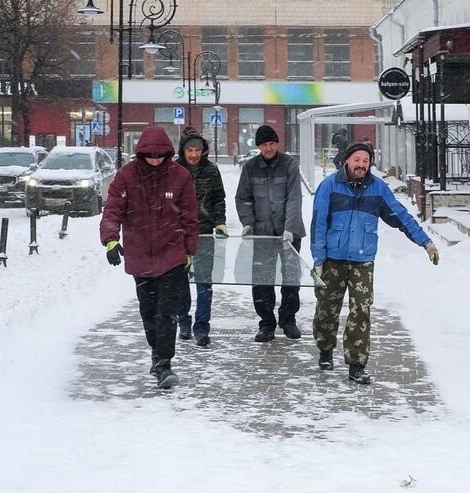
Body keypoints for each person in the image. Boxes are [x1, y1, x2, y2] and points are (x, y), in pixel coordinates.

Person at [310, 141, 439, 384]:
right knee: (326, 309)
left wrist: (426, 242)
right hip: (332, 260)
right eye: (357, 160)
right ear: (347, 161)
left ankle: (356, 364)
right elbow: (318, 224)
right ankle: (325, 349)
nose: (361, 165)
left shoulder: (377, 189)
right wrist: (318, 259)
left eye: (366, 161)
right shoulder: (329, 186)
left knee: (361, 311)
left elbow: (401, 216)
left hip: (362, 261)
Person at [100, 126, 199, 389]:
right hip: (140, 255)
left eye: (160, 155)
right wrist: (111, 240)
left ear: (167, 153)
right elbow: (112, 210)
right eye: (150, 155)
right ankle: (157, 355)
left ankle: (164, 363)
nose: (155, 160)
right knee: (148, 312)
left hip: (172, 255)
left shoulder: (180, 176)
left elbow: (189, 216)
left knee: (166, 312)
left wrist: (189, 250)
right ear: (141, 153)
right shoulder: (126, 177)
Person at [235, 125, 307, 342]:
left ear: (277, 144)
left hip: (289, 234)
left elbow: (295, 198)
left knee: (291, 278)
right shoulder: (250, 168)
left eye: (272, 143)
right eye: (265, 144)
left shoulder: (289, 165)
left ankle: (288, 319)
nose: (269, 147)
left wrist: (290, 228)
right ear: (259, 146)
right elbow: (243, 198)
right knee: (262, 279)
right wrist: (248, 223)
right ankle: (266, 323)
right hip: (262, 234)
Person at [175, 127, 228, 347]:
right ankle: (183, 323)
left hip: (204, 233)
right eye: (190, 150)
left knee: (204, 282)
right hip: (178, 235)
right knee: (179, 282)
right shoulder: (174, 170)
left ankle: (202, 327)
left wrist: (220, 221)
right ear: (183, 151)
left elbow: (218, 199)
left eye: (198, 150)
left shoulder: (212, 170)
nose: (194, 154)